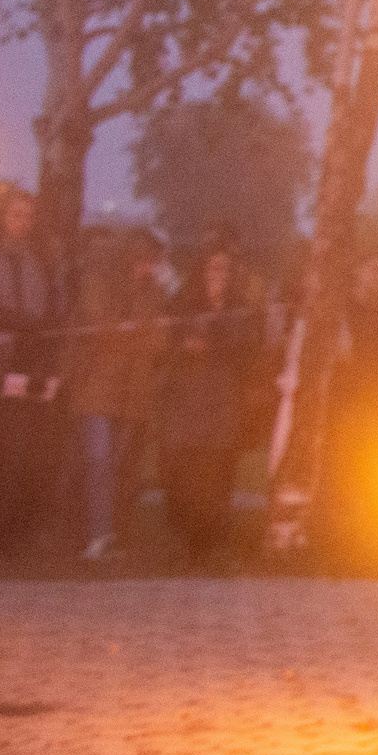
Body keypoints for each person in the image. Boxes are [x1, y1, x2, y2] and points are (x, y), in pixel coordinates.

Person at [155, 238, 267, 566]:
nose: (218, 275)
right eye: (213, 268)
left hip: (223, 401)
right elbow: (162, 348)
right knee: (184, 474)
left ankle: (212, 543)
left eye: (225, 270)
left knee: (217, 473)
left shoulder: (241, 308)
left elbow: (249, 350)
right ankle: (184, 541)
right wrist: (184, 349)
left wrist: (217, 342)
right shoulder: (181, 305)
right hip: (185, 401)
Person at [65, 228, 169, 561]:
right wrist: (133, 330)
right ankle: (92, 533)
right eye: (144, 261)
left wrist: (136, 331)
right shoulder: (101, 280)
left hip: (130, 390)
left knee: (120, 466)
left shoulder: (151, 291)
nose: (148, 268)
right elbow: (99, 326)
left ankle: (109, 533)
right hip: (96, 386)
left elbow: (156, 339)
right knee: (97, 461)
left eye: (153, 262)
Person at [0, 190, 67, 550]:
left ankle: (12, 527)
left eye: (27, 216)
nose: (21, 223)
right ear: (2, 217)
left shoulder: (38, 263)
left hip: (29, 362)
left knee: (21, 446)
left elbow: (48, 312)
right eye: (15, 215)